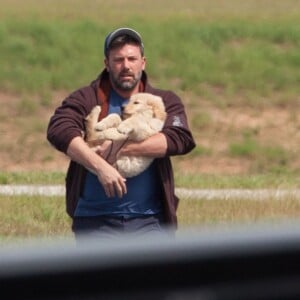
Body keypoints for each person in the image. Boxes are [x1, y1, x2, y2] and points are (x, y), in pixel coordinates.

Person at [47, 27, 196, 239]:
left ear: (143, 62)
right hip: (95, 221)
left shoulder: (162, 100)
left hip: (150, 221)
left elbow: (179, 138)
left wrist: (119, 147)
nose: (126, 66)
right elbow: (59, 129)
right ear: (106, 64)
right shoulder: (87, 98)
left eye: (131, 59)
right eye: (118, 60)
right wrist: (100, 167)